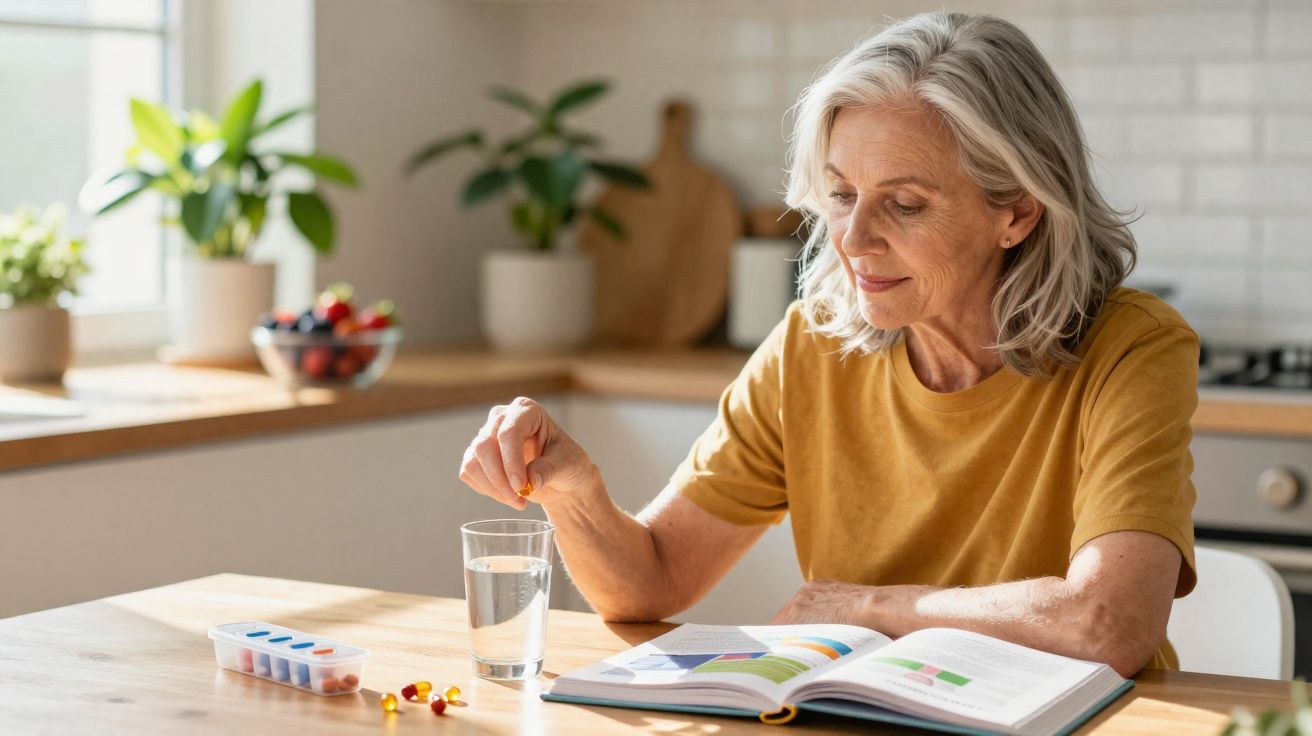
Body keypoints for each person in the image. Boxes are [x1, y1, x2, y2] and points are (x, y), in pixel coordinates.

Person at [457, 10, 1197, 677]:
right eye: (842, 194)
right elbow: (650, 583)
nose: (853, 238)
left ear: (1017, 214)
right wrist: (574, 491)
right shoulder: (812, 346)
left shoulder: (1133, 349)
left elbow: (1109, 622)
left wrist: (871, 609)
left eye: (905, 204)